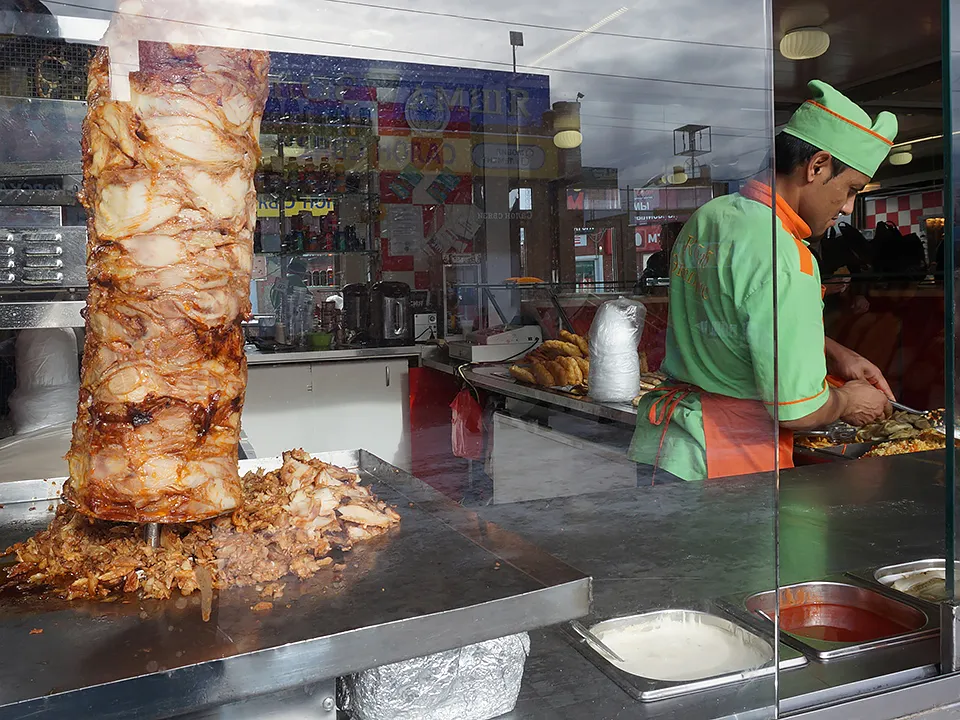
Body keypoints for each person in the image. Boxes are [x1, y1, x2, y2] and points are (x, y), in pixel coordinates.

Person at [629, 80, 896, 482]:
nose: (846, 207)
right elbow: (797, 410)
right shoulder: (786, 254)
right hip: (724, 462)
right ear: (817, 165)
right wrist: (845, 400)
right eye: (850, 190)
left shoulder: (711, 217)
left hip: (668, 445)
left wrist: (836, 352)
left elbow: (740, 316)